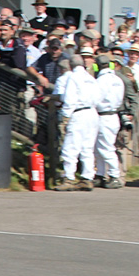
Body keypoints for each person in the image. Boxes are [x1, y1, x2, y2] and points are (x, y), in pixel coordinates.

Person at [53, 48, 100, 191]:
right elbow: (99, 98)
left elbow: (69, 99)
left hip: (78, 113)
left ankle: (69, 178)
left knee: (70, 147)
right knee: (87, 148)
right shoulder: (91, 78)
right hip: (92, 113)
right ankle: (87, 178)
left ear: (71, 66)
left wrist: (65, 117)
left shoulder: (73, 77)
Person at [93, 53, 124, 189]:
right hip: (113, 115)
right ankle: (100, 174)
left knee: (105, 148)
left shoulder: (101, 81)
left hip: (104, 116)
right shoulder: (118, 79)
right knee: (99, 147)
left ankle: (114, 175)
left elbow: (96, 99)